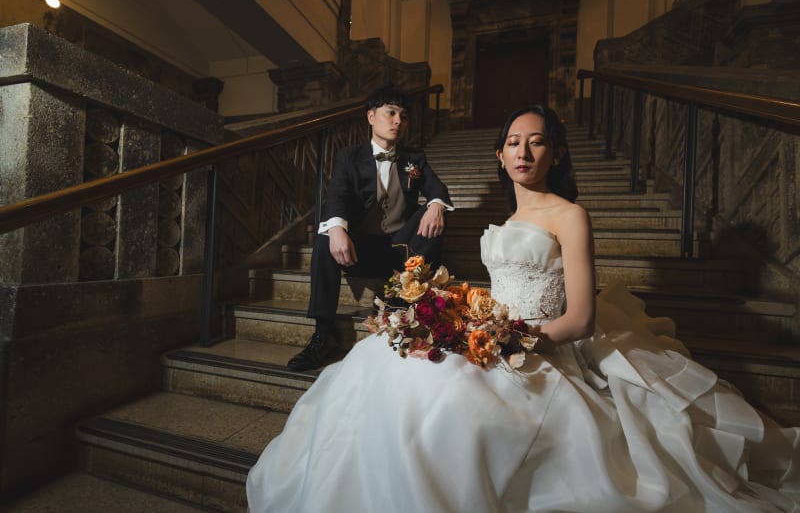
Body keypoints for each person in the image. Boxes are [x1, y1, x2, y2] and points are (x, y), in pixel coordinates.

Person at [248, 105, 799, 512]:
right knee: (381, 363)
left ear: (555, 153)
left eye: (536, 143)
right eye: (513, 142)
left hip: (538, 348)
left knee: (442, 399)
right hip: (493, 335)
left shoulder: (570, 216)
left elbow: (580, 319)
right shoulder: (507, 221)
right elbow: (500, 294)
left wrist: (509, 339)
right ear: (500, 154)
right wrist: (458, 317)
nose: (523, 152)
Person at [287, 84, 454, 372]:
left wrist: (436, 205)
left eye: (404, 116)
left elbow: (437, 188)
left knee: (434, 210)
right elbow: (337, 194)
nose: (398, 121)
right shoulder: (349, 156)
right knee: (325, 237)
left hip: (402, 252)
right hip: (360, 249)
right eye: (391, 113)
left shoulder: (414, 159)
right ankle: (324, 333)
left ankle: (403, 311)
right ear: (371, 117)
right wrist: (336, 229)